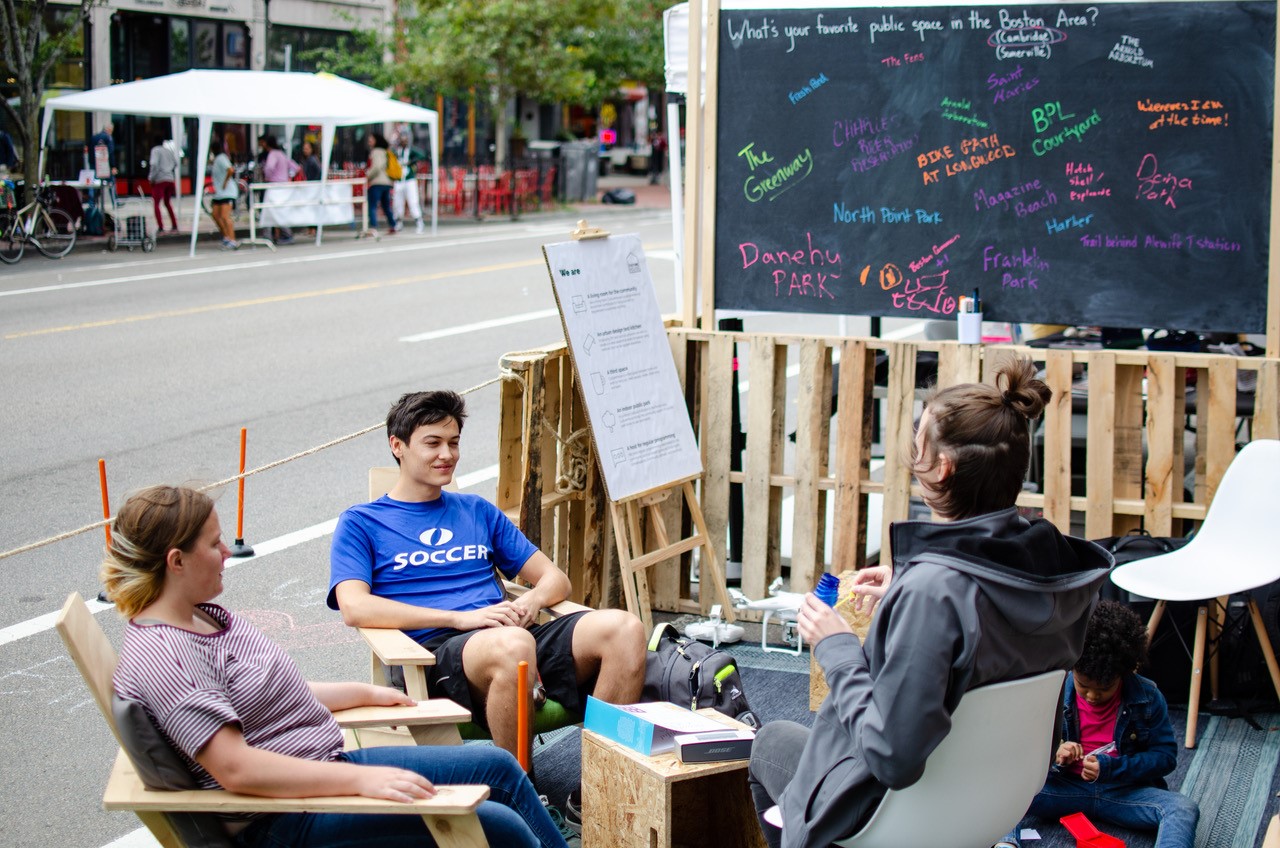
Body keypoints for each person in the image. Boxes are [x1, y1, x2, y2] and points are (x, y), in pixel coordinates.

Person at [747, 357, 1113, 848]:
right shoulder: (1052, 568)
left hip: (894, 818)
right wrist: (906, 590)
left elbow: (891, 755)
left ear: (942, 468)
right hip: (993, 803)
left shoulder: (934, 593)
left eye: (919, 439)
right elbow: (985, 628)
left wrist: (837, 647)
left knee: (769, 743)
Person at [102, 485, 569, 848]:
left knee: (498, 768)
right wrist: (363, 780)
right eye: (214, 543)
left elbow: (260, 695)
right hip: (285, 820)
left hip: (318, 770)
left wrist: (362, 693)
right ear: (176, 561)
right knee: (496, 825)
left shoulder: (199, 616)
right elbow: (237, 770)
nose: (227, 552)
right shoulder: (166, 657)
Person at [328, 390, 647, 764]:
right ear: (397, 445)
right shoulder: (362, 522)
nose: (446, 455)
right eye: (432, 443)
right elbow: (354, 607)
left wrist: (530, 600)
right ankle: (520, 793)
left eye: (453, 443)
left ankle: (600, 784)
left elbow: (554, 579)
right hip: (433, 654)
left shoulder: (475, 510)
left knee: (625, 629)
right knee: (513, 646)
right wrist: (458, 618)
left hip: (509, 634)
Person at [995, 601, 1199, 848]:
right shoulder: (1053, 690)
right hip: (1065, 788)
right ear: (1072, 667)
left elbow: (1165, 757)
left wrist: (1112, 768)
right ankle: (1006, 843)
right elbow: (1020, 748)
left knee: (1183, 808)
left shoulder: (1147, 697)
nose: (1092, 696)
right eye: (1083, 686)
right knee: (1001, 788)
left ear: (1123, 673)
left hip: (1123, 791)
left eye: (1104, 689)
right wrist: (1055, 751)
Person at [258, 134, 298, 244]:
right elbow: (295, 167)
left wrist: (267, 176)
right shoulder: (281, 154)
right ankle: (282, 234)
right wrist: (289, 176)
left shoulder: (273, 154)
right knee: (279, 211)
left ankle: (275, 235)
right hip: (283, 186)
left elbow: (269, 168)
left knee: (270, 210)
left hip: (274, 186)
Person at [390, 131, 425, 234]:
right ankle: (398, 222)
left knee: (413, 201)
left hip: (409, 180)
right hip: (399, 179)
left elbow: (422, 155)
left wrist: (411, 162)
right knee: (397, 202)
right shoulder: (397, 151)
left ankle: (419, 222)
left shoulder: (411, 151)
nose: (403, 141)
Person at [209, 140, 239, 250]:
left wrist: (225, 182)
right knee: (216, 215)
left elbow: (230, 170)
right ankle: (226, 236)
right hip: (219, 193)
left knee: (225, 217)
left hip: (227, 192)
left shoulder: (221, 158)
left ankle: (232, 240)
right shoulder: (216, 159)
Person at [365, 132, 396, 234]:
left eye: (371, 140)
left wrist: (368, 175)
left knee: (372, 205)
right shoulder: (385, 151)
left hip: (377, 182)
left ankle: (373, 226)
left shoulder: (376, 152)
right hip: (386, 182)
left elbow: (376, 167)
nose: (369, 142)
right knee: (386, 206)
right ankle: (392, 225)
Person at [149, 135, 179, 234]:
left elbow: (154, 164)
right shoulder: (168, 151)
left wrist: (151, 178)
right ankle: (174, 224)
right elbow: (176, 163)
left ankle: (161, 226)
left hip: (160, 179)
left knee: (156, 203)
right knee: (167, 202)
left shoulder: (155, 150)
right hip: (170, 179)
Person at [89, 122, 117, 206]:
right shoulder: (108, 138)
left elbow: (90, 152)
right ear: (109, 129)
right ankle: (114, 201)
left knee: (94, 184)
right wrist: (113, 166)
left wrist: (91, 163)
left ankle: (92, 203)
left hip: (94, 165)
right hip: (104, 166)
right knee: (111, 183)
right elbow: (110, 153)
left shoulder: (94, 137)